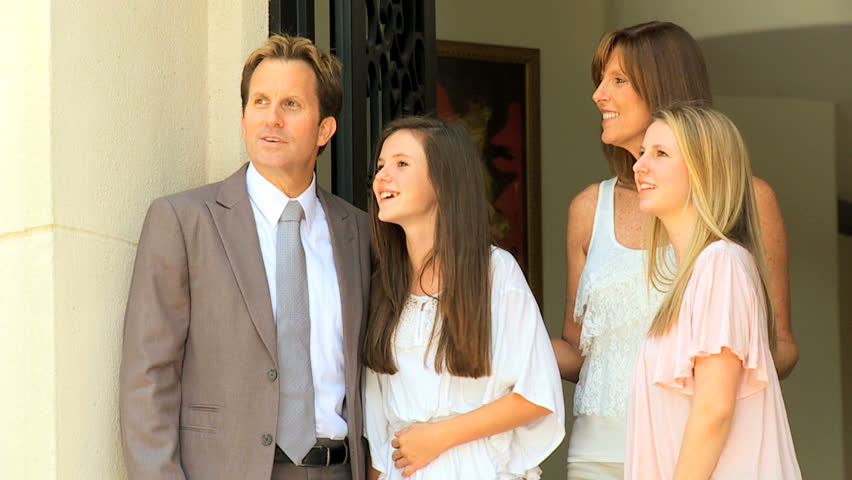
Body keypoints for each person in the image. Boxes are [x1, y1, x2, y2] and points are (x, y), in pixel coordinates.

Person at [549, 21, 799, 479]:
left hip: (696, 446)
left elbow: (777, 346)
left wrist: (709, 388)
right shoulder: (589, 207)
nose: (598, 95)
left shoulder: (745, 206)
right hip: (598, 450)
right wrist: (496, 344)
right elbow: (577, 348)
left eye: (618, 80)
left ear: (664, 86)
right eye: (600, 80)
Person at [119, 35, 371, 480]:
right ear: (242, 117)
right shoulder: (183, 221)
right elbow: (148, 377)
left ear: (325, 129)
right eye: (260, 101)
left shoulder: (361, 234)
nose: (271, 118)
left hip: (337, 469)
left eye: (291, 104)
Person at [362, 116, 564, 480]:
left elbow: (537, 394)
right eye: (380, 166)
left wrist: (439, 437)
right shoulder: (382, 287)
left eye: (401, 164)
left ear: (443, 181)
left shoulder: (494, 273)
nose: (382, 177)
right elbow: (378, 428)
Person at [626, 105, 801, 479]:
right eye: (642, 152)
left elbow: (714, 410)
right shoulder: (696, 274)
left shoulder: (721, 264)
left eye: (660, 154)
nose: (640, 165)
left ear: (706, 171)